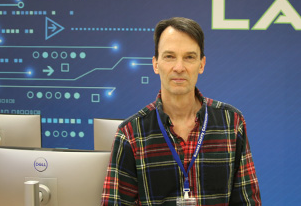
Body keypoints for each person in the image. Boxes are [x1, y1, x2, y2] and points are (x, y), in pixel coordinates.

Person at [101, 17, 261, 205]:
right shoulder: (130, 133)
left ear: (201, 64)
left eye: (189, 57)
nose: (179, 67)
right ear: (155, 64)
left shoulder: (231, 123)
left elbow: (247, 202)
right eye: (169, 56)